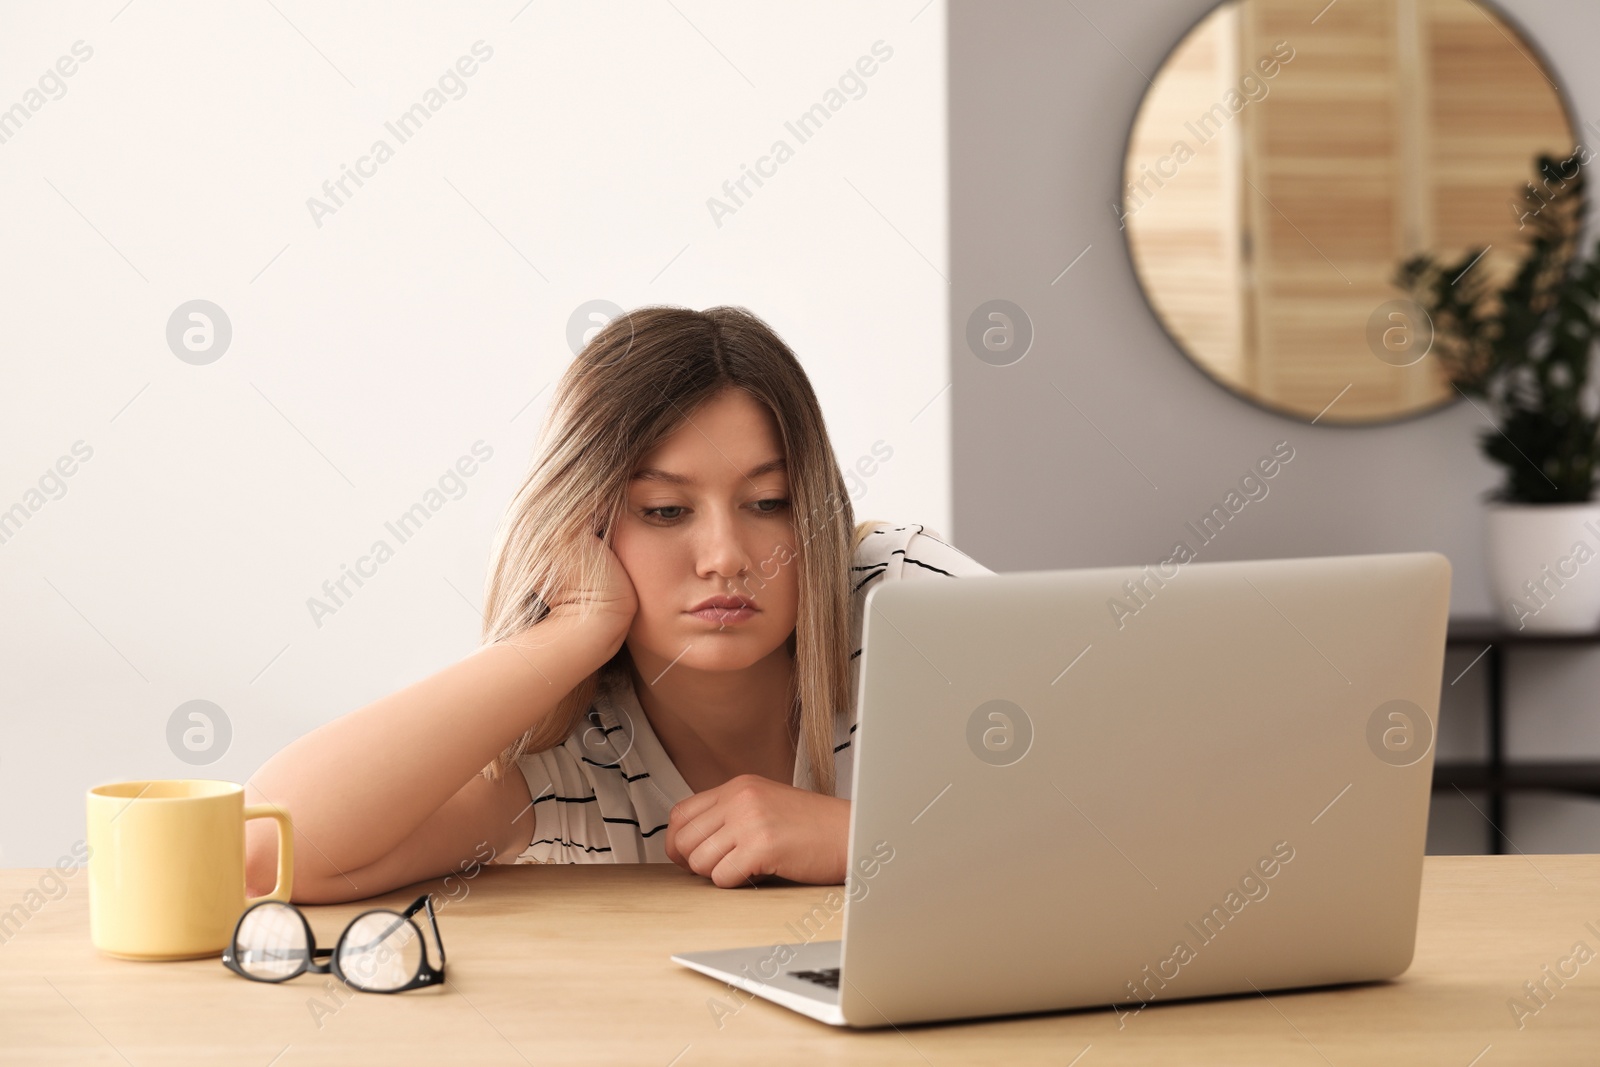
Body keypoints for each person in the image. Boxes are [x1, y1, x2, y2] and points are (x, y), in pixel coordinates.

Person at [244, 305, 992, 904]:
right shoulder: (566, 760)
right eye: (665, 510)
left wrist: (861, 840)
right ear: (583, 523)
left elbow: (1106, 815)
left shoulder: (904, 594)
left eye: (770, 502)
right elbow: (263, 852)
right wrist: (576, 627)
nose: (726, 556)